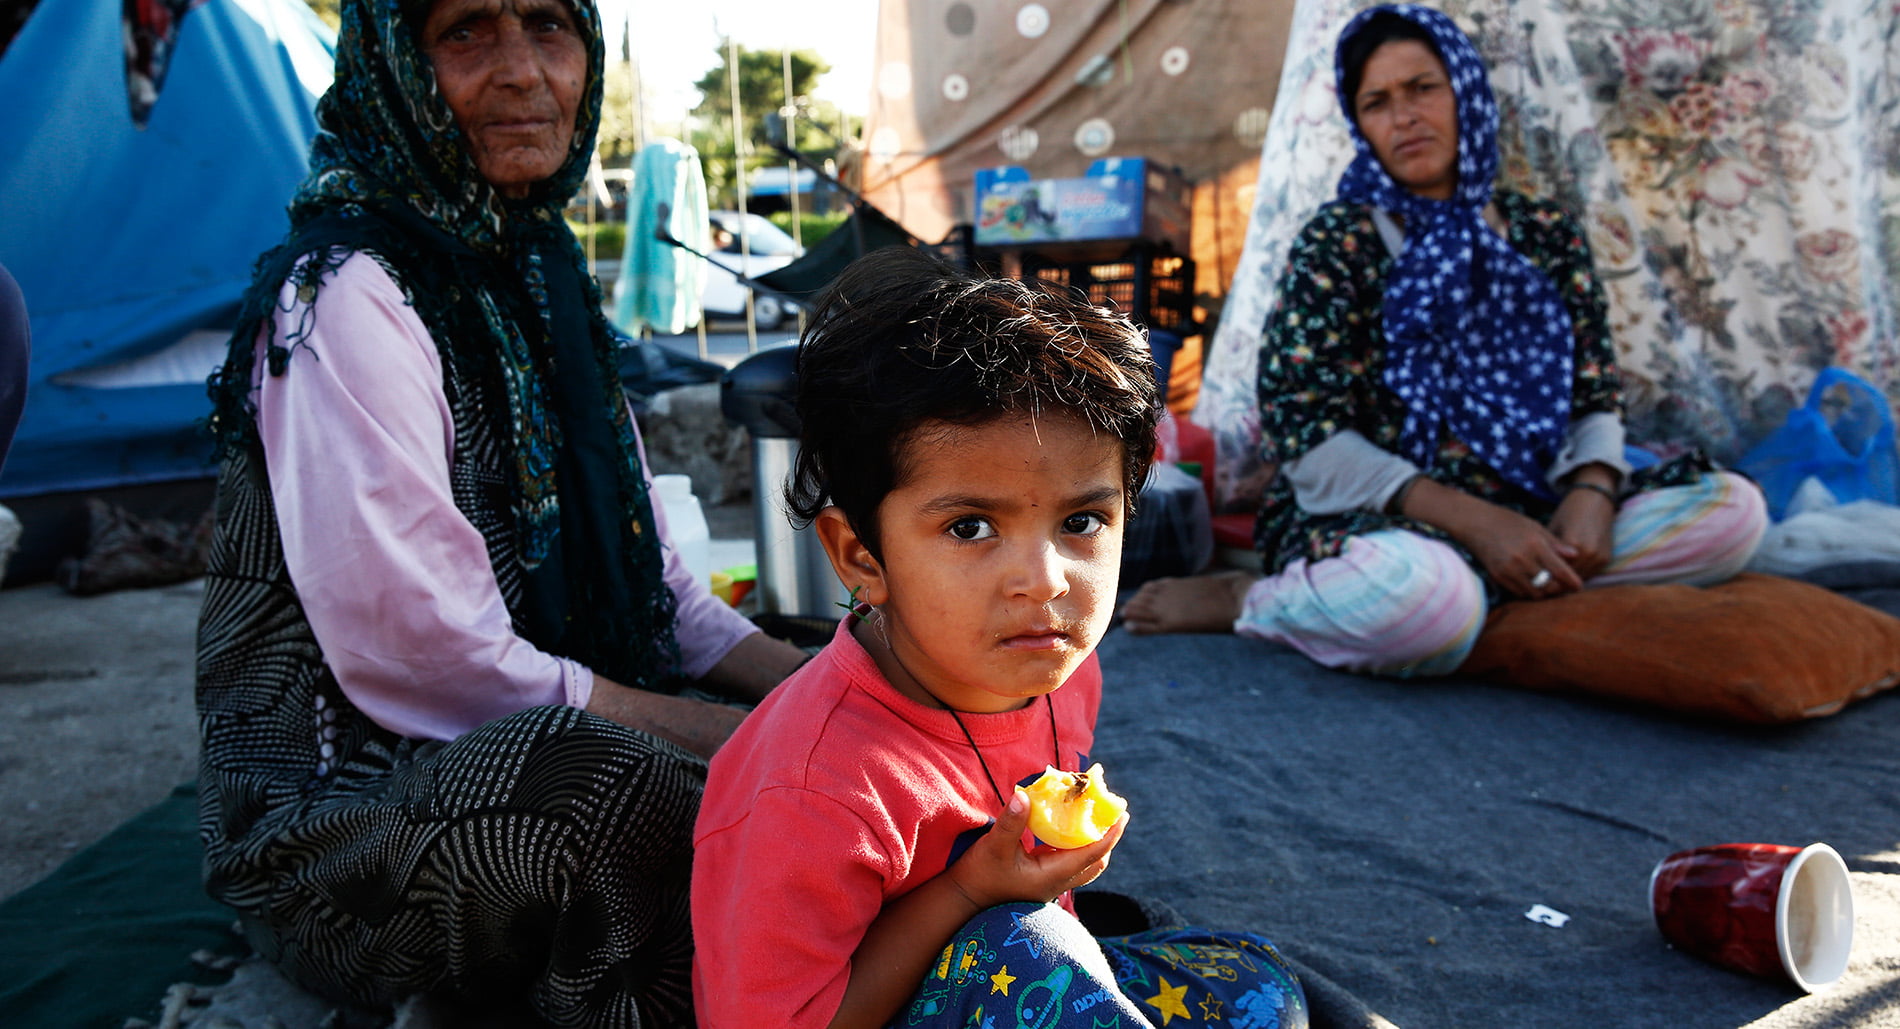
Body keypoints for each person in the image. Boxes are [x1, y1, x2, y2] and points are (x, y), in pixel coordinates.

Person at [194, 0, 807, 1022]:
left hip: (533, 724)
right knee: (620, 791)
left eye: (549, 28)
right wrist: (753, 743)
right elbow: (436, 660)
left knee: (852, 670)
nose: (523, 73)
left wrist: (832, 694)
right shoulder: (347, 291)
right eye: (467, 31)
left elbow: (661, 590)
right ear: (391, 62)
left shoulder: (539, 275)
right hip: (344, 821)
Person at [691, 247, 1308, 1028]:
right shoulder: (816, 789)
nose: (1044, 580)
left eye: (1081, 522)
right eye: (971, 527)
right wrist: (973, 890)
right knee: (1029, 943)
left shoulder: (1061, 672)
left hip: (1031, 977)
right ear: (860, 554)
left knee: (1260, 990)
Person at [1122, 3, 1767, 676]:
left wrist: (1594, 491)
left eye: (1423, 88)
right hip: (1392, 512)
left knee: (1733, 514)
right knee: (1421, 600)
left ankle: (1483, 597)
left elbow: (1594, 388)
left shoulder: (1543, 232)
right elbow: (1306, 436)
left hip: (1536, 495)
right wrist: (1480, 525)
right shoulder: (1339, 242)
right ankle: (1256, 597)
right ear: (1360, 124)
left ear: (1466, 90)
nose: (1403, 116)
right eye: (1377, 102)